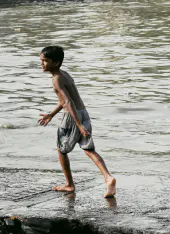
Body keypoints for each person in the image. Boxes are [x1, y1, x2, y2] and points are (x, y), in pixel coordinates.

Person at [37, 45, 116, 198]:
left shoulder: (56, 80)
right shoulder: (65, 74)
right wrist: (51, 114)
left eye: (45, 61)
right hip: (83, 112)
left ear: (56, 62)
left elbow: (67, 103)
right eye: (41, 60)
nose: (42, 64)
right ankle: (108, 177)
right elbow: (67, 100)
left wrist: (78, 125)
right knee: (88, 149)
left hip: (72, 117)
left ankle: (69, 185)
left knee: (61, 149)